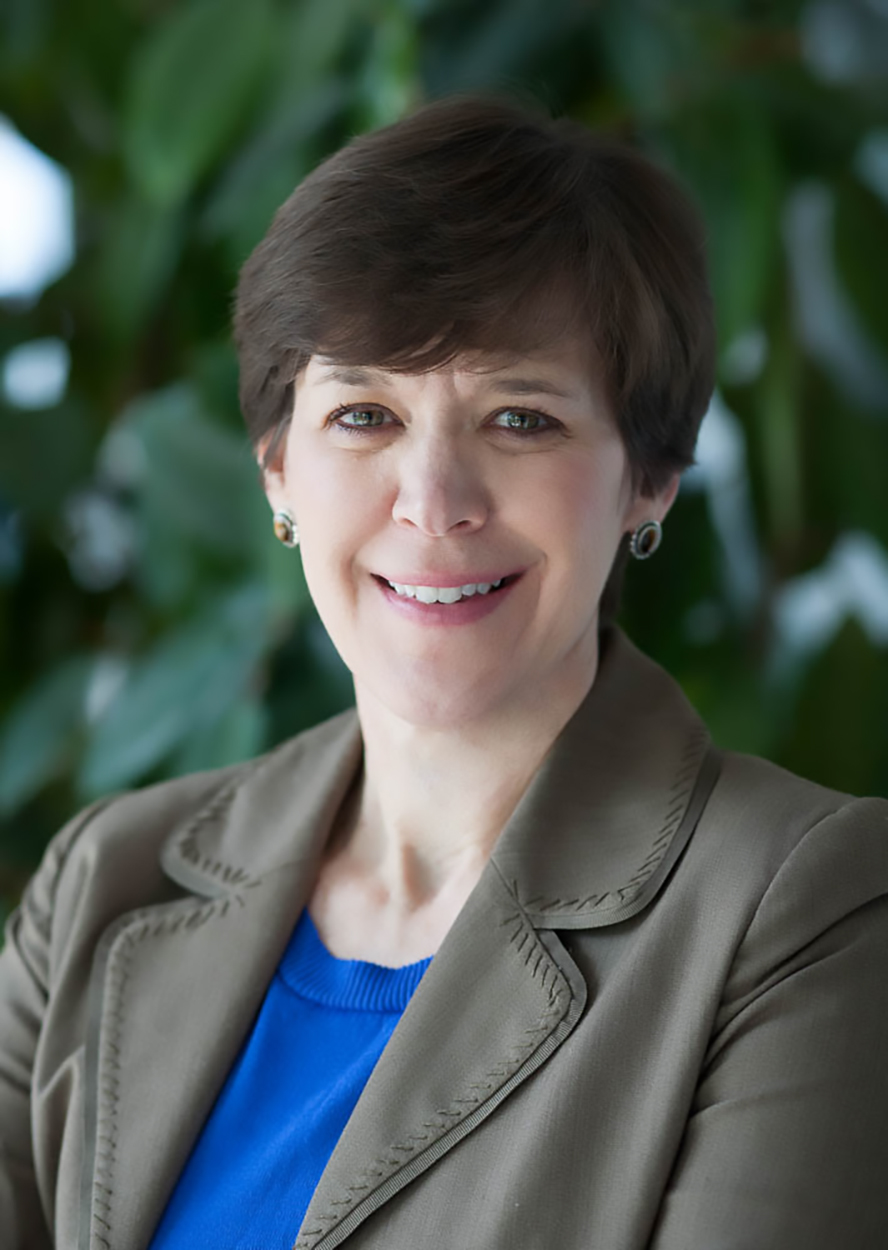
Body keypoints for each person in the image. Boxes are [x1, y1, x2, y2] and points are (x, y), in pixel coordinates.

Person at [1, 92, 887, 1250]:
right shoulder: (104, 885)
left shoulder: (803, 911)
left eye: (520, 419)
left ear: (649, 478)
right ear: (276, 469)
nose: (434, 502)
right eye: (364, 413)